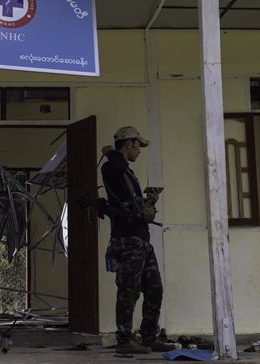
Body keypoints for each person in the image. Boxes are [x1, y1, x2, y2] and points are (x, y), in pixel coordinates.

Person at [100, 126, 175, 354]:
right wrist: (112, 152)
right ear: (129, 143)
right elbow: (115, 167)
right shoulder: (113, 166)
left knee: (155, 289)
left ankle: (149, 337)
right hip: (126, 239)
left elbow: (131, 200)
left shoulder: (128, 172)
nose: (140, 151)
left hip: (141, 239)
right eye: (138, 146)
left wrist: (147, 202)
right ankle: (124, 340)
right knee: (128, 290)